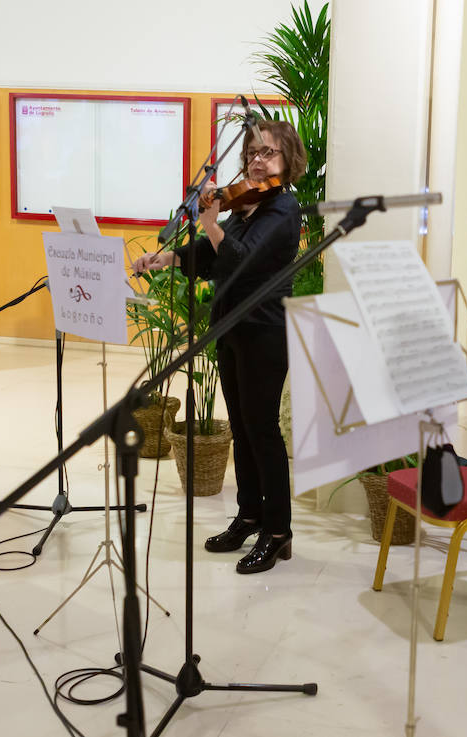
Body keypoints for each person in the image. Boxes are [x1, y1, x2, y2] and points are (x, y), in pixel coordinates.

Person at [132, 119, 305, 574]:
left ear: (288, 161)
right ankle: (249, 515)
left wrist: (210, 223)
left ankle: (279, 531)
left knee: (263, 430)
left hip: (265, 332)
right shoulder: (247, 206)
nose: (256, 158)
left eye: (267, 152)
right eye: (252, 151)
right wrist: (165, 256)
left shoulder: (284, 211)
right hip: (230, 327)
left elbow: (242, 262)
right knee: (243, 429)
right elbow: (211, 257)